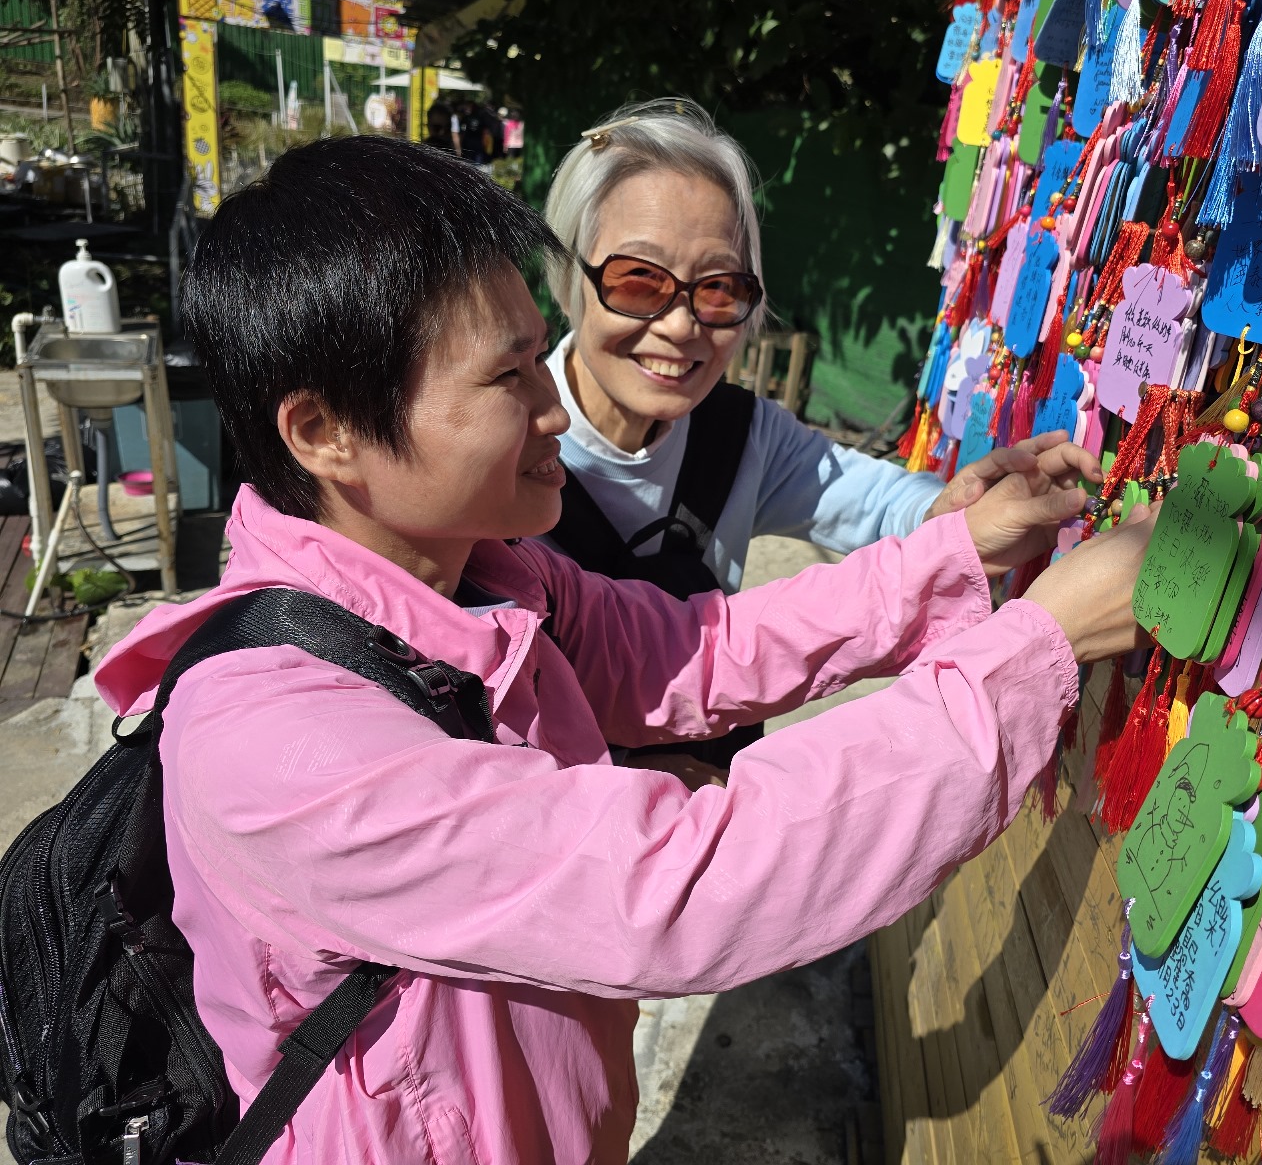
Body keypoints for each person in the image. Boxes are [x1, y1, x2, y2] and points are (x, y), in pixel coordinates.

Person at [96, 135, 1154, 1164]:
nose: (553, 409)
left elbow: (694, 646)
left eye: (537, 358)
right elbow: (683, 882)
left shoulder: (487, 571)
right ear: (325, 432)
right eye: (510, 377)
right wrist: (1037, 651)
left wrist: (958, 550)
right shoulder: (281, 744)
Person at [541, 98, 1082, 772]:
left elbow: (882, 505)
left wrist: (955, 510)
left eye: (718, 289)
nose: (681, 326)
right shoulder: (503, 448)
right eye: (639, 281)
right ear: (569, 275)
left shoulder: (739, 436)